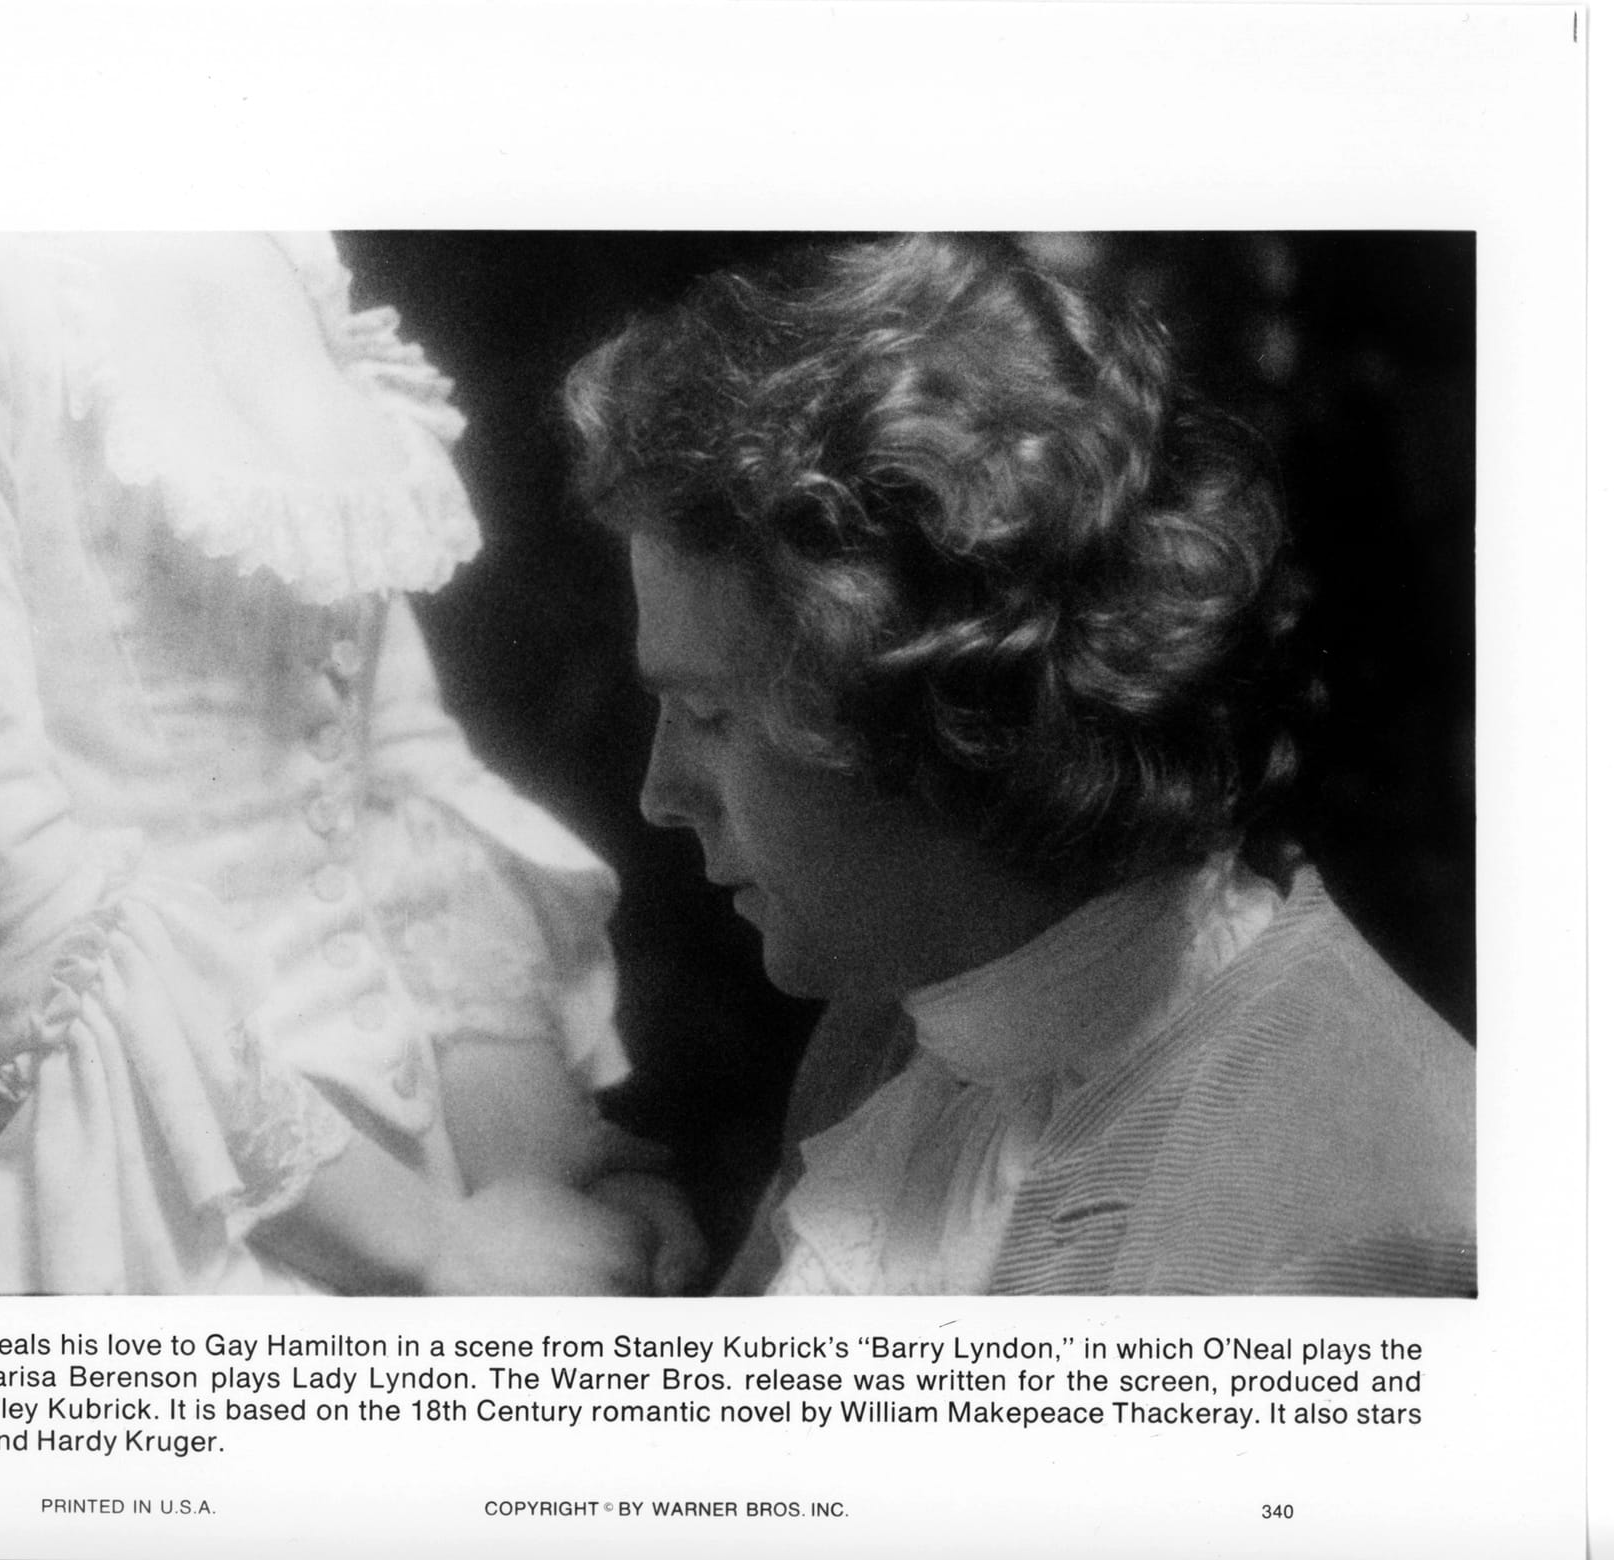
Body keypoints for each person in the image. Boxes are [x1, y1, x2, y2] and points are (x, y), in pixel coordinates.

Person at [0, 232, 698, 1295]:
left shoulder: (264, 238)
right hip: (92, 1196)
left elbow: (397, 776)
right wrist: (429, 1247)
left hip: (445, 1165)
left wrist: (541, 1187)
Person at [564, 234, 1475, 1296]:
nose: (660, 794)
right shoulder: (898, 1026)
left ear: (942, 707)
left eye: (709, 715)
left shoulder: (1339, 1219)